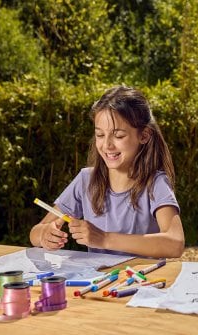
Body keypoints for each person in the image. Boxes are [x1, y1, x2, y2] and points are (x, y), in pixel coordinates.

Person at [30, 85, 185, 258]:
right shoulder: (86, 180)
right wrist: (44, 235)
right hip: (100, 282)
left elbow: (175, 244)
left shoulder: (155, 183)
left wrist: (104, 239)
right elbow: (35, 233)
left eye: (118, 136)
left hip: (142, 281)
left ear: (144, 136)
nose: (107, 145)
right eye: (100, 135)